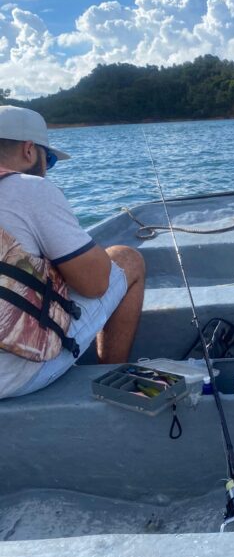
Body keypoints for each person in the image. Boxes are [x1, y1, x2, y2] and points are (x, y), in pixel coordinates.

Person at [0, 105, 145, 399]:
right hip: (14, 375)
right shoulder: (29, 188)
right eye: (49, 160)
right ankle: (111, 381)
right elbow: (95, 285)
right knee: (127, 259)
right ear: (29, 151)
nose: (48, 169)